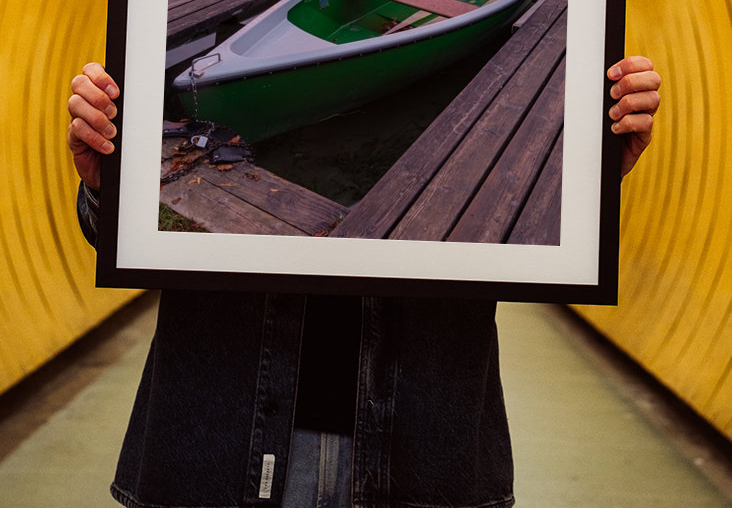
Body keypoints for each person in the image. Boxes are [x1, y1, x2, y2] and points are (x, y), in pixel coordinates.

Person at [68, 56, 661, 508]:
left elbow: (538, 237)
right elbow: (118, 237)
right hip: (218, 443)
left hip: (421, 451)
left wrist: (586, 179)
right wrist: (109, 185)